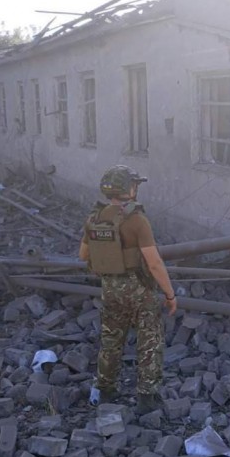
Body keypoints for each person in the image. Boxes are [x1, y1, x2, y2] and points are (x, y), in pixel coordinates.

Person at [78, 165, 177, 414]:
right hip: (138, 288)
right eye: (134, 184)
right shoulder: (137, 220)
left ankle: (106, 389)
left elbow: (83, 255)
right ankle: (147, 397)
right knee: (149, 339)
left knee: (111, 339)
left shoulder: (94, 218)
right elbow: (154, 263)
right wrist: (170, 294)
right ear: (128, 188)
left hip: (109, 288)